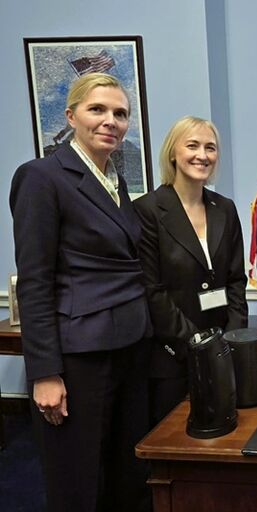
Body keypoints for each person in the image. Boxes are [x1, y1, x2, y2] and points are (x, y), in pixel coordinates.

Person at [9, 73, 151, 511]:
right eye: (97, 110)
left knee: (125, 473)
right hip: (78, 356)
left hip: (128, 346)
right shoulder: (41, 177)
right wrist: (44, 373)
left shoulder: (114, 180)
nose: (111, 121)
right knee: (78, 479)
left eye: (120, 114)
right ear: (71, 116)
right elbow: (35, 281)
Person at [134, 116, 248, 426]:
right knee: (173, 436)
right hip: (172, 355)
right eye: (193, 146)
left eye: (210, 148)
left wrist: (231, 339)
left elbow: (236, 280)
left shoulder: (225, 208)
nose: (203, 155)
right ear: (173, 152)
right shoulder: (148, 210)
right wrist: (197, 345)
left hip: (223, 349)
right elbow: (152, 291)